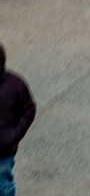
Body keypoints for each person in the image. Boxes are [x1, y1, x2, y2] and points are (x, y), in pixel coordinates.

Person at [0, 44, 36, 196]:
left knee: (3, 186)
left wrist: (14, 135)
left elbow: (29, 110)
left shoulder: (15, 86)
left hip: (4, 151)